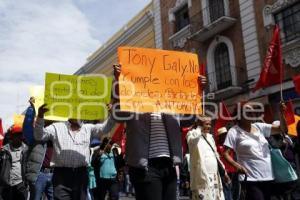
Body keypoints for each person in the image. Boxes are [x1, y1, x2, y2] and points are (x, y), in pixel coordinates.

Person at [112, 64, 207, 200]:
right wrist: (118, 82)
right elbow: (117, 115)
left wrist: (198, 92)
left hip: (169, 165)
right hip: (146, 167)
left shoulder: (171, 106)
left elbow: (189, 119)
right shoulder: (134, 105)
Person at [34, 104, 116, 200]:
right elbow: (39, 136)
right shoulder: (56, 127)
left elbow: (105, 129)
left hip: (81, 175)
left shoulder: (88, 128)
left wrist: (113, 114)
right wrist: (40, 116)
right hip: (61, 176)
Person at [223, 102, 287, 200]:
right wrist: (237, 166)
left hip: (268, 176)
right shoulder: (234, 131)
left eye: (253, 112)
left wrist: (281, 113)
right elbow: (226, 154)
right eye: (248, 112)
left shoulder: (259, 127)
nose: (252, 114)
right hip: (250, 178)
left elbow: (282, 129)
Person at [186, 116, 227, 200]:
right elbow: (192, 142)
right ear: (199, 124)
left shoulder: (210, 137)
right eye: (206, 124)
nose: (209, 126)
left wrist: (223, 170)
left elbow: (216, 154)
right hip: (202, 177)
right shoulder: (192, 134)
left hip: (215, 176)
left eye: (210, 124)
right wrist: (199, 128)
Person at [23, 97, 54, 200]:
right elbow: (27, 126)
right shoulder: (35, 135)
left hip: (55, 175)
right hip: (39, 175)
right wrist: (32, 108)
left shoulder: (57, 134)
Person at [0, 125, 28, 200]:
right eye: (16, 135)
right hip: (7, 185)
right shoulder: (4, 150)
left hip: (21, 184)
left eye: (20, 135)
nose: (19, 137)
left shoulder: (26, 150)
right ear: (12, 137)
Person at [217, 127, 238, 200]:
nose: (225, 136)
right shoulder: (218, 147)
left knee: (233, 190)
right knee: (226, 190)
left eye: (225, 134)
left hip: (233, 170)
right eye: (223, 135)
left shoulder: (229, 145)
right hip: (225, 171)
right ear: (220, 137)